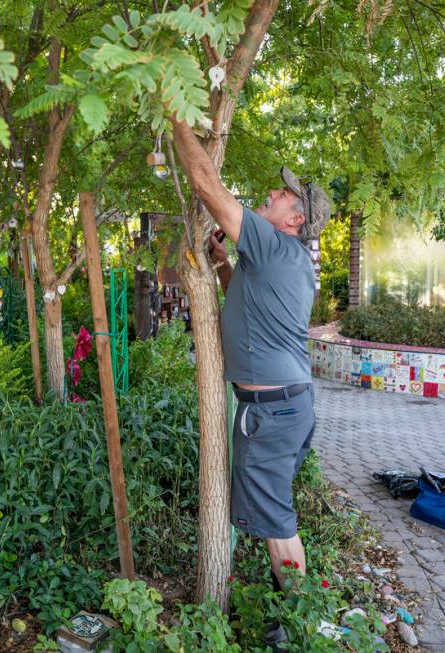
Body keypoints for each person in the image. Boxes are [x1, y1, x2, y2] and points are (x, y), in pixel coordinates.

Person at [171, 116, 331, 651]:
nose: (272, 192)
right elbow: (250, 302)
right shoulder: (283, 257)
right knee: (273, 515)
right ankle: (286, 613)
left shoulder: (273, 243)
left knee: (277, 522)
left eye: (283, 194)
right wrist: (220, 266)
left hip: (273, 413)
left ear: (296, 218)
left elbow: (206, 185)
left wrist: (176, 113)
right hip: (281, 408)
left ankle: (297, 624)